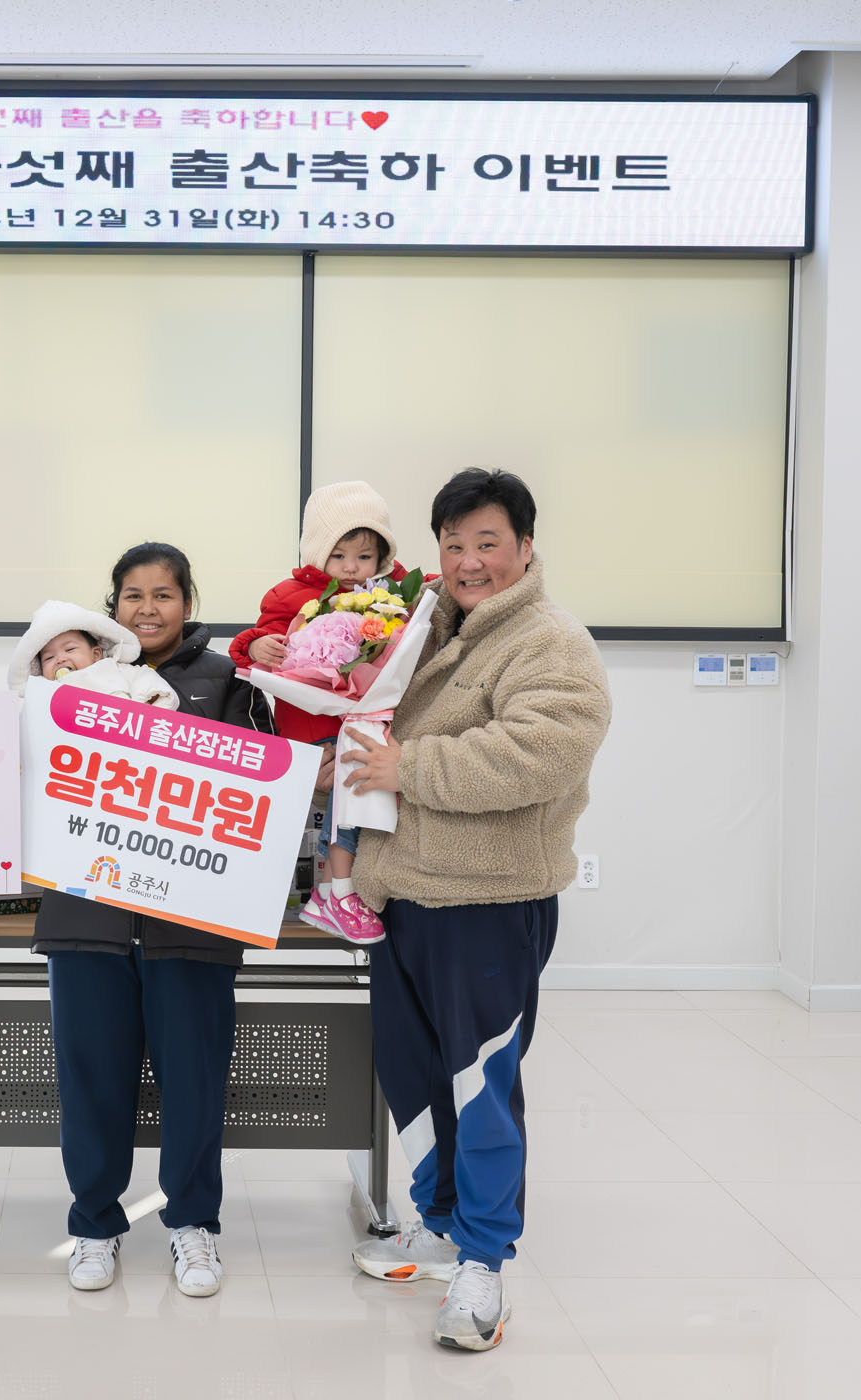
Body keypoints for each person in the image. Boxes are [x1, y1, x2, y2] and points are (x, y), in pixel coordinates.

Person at [340, 468, 610, 1352]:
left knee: (481, 1087)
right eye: (453, 544)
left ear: (525, 548)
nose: (468, 561)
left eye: (487, 542)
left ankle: (485, 1263)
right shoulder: (427, 630)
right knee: (414, 1075)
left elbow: (541, 752)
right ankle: (440, 1222)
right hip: (403, 894)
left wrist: (407, 767)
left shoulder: (550, 642)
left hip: (488, 902)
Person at [32, 542, 265, 1299]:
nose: (148, 608)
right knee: (91, 1083)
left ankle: (193, 1224)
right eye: (132, 595)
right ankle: (94, 1225)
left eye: (164, 594)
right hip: (87, 916)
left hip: (192, 925)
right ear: (113, 606)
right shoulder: (66, 681)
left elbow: (256, 786)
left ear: (188, 602)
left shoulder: (229, 680)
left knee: (194, 1085)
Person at [230, 480, 414, 945]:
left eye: (364, 556)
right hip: (312, 726)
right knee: (350, 800)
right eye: (338, 555)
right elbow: (251, 644)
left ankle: (334, 892)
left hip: (367, 720)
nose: (351, 567)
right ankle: (337, 891)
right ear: (317, 552)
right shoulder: (289, 594)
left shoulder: (392, 592)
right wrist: (259, 645)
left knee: (369, 803)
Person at [6, 599, 179, 708]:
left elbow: (146, 679)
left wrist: (141, 704)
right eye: (49, 658)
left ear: (96, 654)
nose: (60, 659)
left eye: (70, 649)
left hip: (121, 729)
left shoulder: (114, 668)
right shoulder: (43, 691)